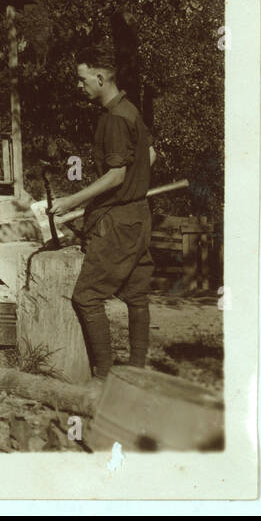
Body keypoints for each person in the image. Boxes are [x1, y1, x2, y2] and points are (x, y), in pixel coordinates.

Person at [50, 55, 158, 379]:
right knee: (137, 296)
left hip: (118, 224)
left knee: (86, 297)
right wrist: (136, 181)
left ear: (100, 78)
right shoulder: (130, 110)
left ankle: (103, 377)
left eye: (82, 80)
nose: (78, 86)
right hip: (139, 215)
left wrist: (71, 200)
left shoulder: (114, 119)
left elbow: (115, 177)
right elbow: (149, 154)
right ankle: (137, 373)